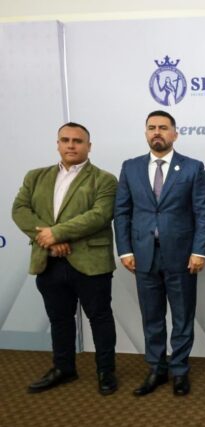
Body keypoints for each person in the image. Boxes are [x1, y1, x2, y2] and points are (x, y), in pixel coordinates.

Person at [12, 122, 118, 396]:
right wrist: (49, 239)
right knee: (59, 319)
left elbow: (99, 215)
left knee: (100, 318)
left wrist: (56, 233)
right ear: (57, 144)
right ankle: (63, 368)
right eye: (65, 140)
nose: (71, 145)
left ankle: (106, 371)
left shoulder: (104, 179)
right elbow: (20, 210)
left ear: (89, 146)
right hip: (49, 260)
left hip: (90, 263)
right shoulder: (35, 176)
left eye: (77, 141)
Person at [114, 110, 205, 396]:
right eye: (151, 127)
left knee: (182, 317)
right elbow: (122, 212)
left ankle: (180, 370)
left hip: (182, 257)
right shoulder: (131, 167)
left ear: (175, 134)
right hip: (143, 255)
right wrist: (125, 250)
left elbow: (204, 212)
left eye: (163, 127)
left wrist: (199, 251)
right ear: (146, 133)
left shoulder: (192, 168)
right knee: (151, 317)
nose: (157, 132)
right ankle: (156, 369)